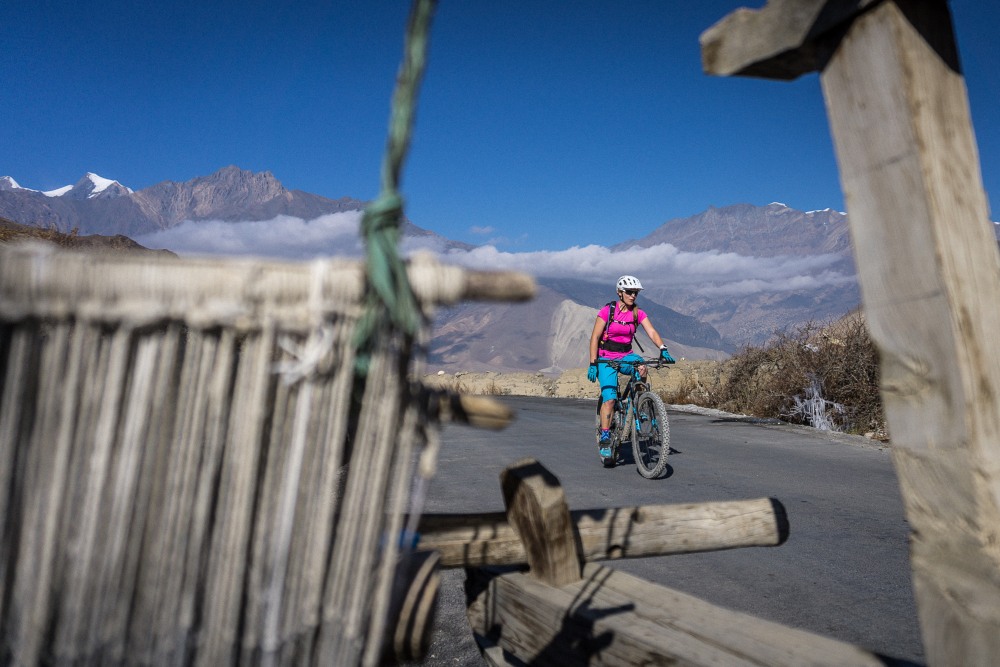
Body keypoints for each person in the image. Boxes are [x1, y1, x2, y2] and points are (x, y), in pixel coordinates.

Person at [587, 275, 675, 461]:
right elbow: (595, 337)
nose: (633, 295)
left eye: (635, 292)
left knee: (642, 368)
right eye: (629, 292)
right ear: (620, 292)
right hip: (606, 357)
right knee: (610, 400)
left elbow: (651, 331)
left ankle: (640, 401)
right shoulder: (607, 311)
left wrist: (662, 348)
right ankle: (605, 435)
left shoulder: (637, 313)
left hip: (626, 355)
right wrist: (593, 363)